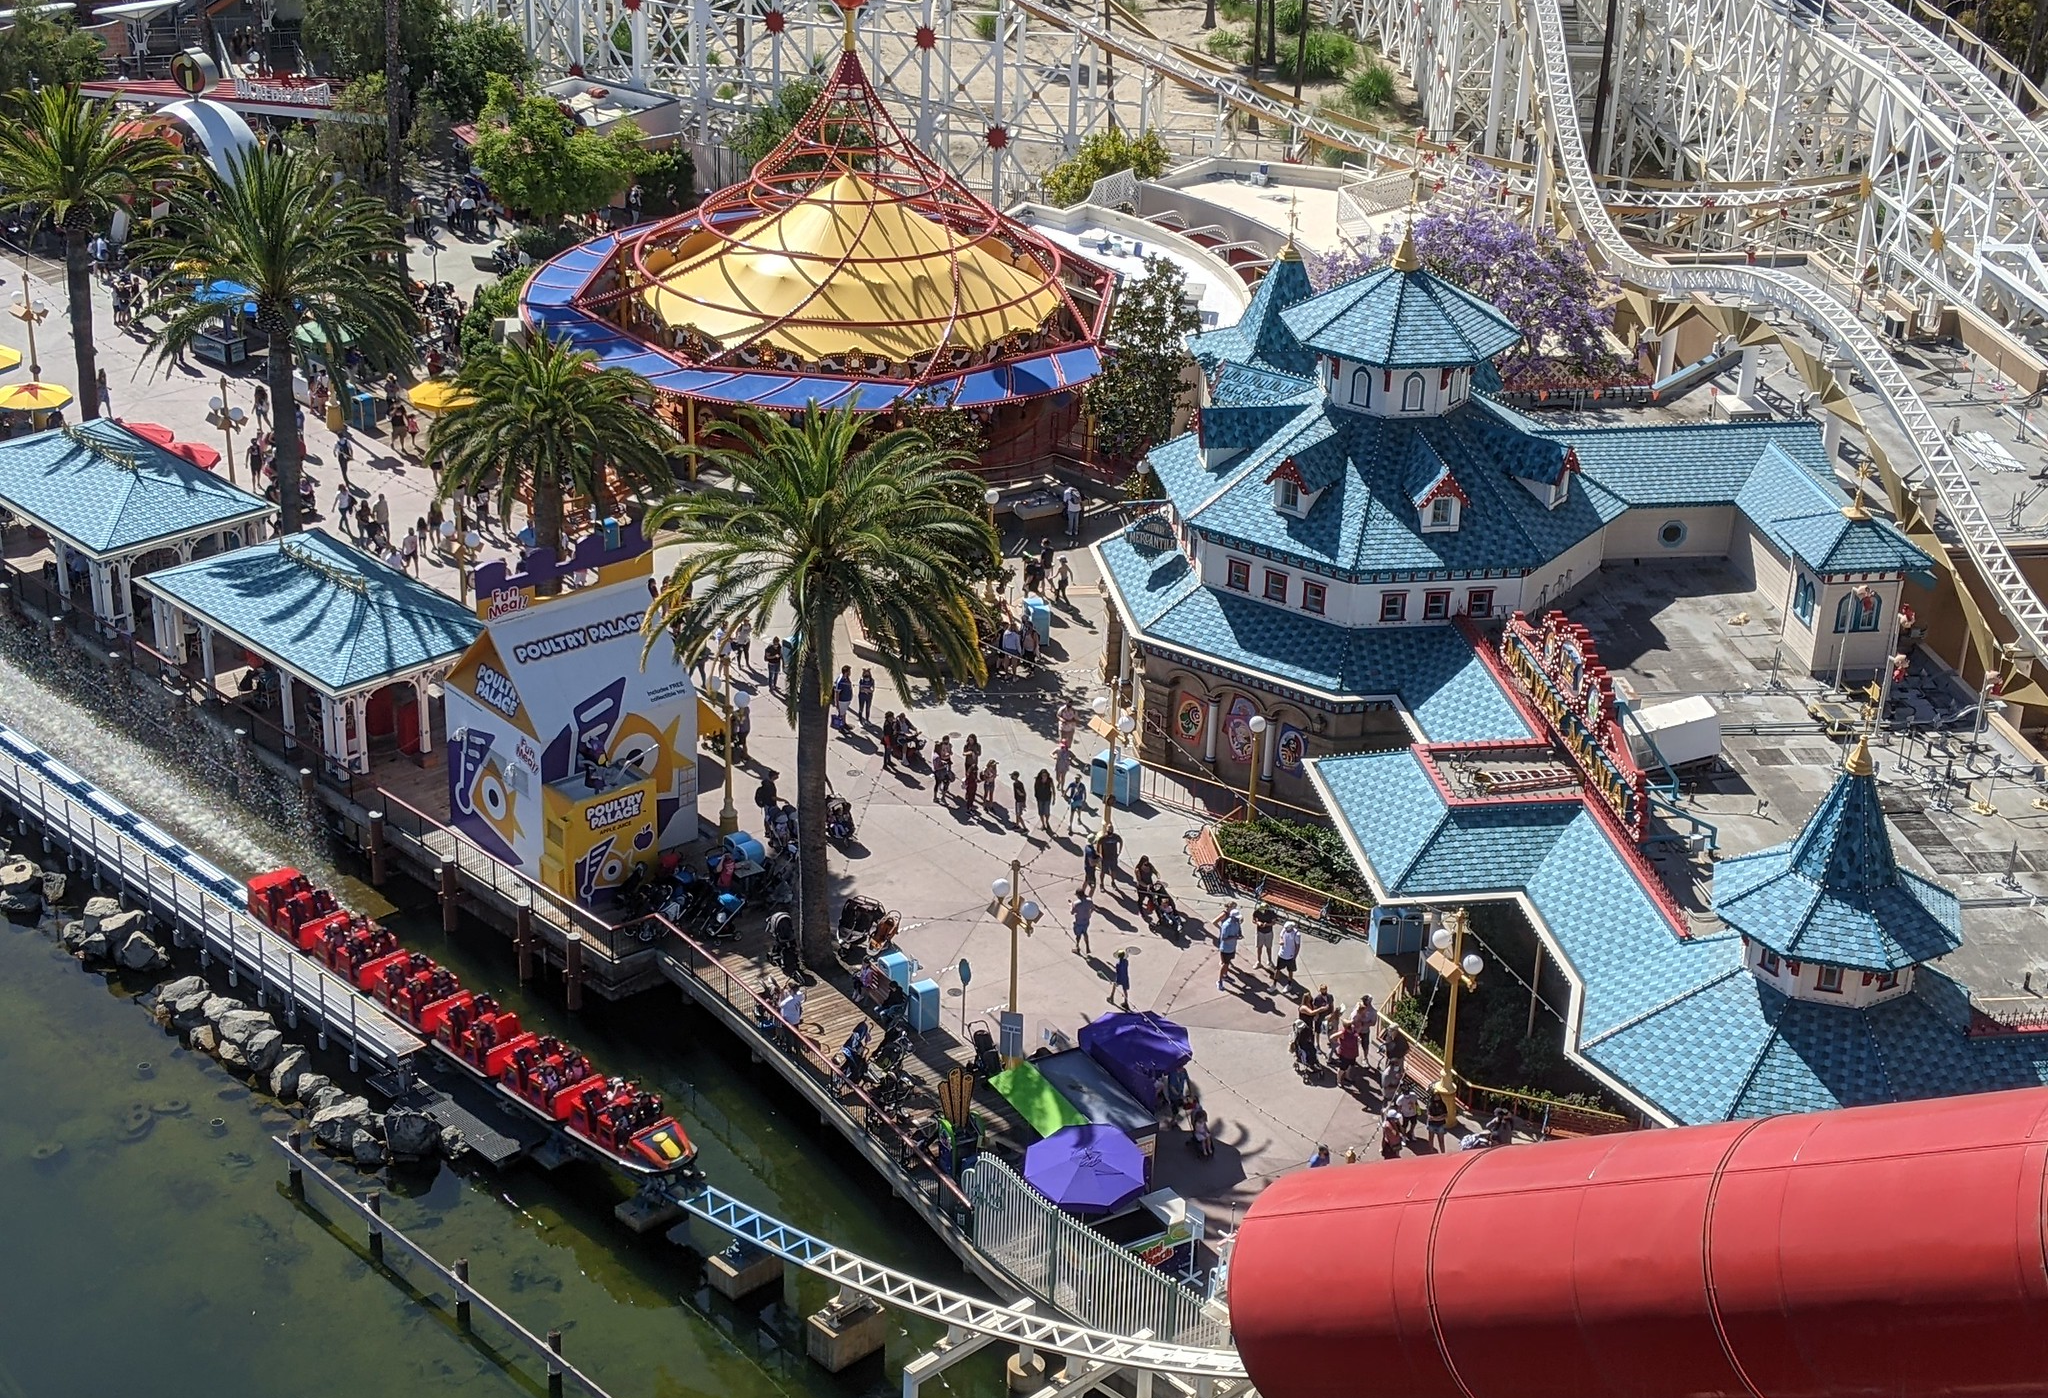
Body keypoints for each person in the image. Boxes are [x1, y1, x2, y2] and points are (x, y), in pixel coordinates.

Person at [1214, 902, 1242, 991]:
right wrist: (1235, 937)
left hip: (1232, 947)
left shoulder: (1236, 923)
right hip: (1225, 948)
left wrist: (1239, 935)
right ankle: (1219, 981)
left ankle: (1225, 976)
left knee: (1228, 963)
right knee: (1224, 964)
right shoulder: (1226, 925)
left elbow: (1238, 930)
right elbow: (1224, 938)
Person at [1276, 920, 1302, 986]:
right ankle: (1274, 984)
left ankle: (1289, 984)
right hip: (1282, 954)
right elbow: (1281, 936)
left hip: (1290, 956)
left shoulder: (1296, 934)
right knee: (1278, 969)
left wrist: (1294, 957)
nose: (1286, 930)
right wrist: (1281, 940)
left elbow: (1297, 946)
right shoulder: (1284, 930)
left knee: (1290, 971)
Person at [1253, 903, 1277, 970]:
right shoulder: (1257, 911)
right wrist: (1258, 923)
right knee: (1259, 947)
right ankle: (1258, 961)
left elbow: (1274, 922)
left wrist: (1267, 924)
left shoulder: (1271, 913)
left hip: (1268, 932)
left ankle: (1269, 960)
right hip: (1260, 932)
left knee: (1268, 947)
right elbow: (1254, 920)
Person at [1070, 888, 1092, 955]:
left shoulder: (1076, 904)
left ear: (1078, 895)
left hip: (1079, 921)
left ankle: (1077, 947)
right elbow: (1093, 908)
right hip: (1086, 921)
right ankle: (1087, 946)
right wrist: (1089, 914)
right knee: (1085, 932)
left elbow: (1072, 912)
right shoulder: (1089, 901)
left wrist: (1071, 905)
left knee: (1078, 935)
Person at [1034, 769, 1055, 833]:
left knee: (1047, 812)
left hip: (1047, 798)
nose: (1044, 777)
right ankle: (1043, 824)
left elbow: (1053, 788)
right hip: (1040, 798)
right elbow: (1035, 788)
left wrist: (1054, 798)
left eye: (1045, 775)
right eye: (1043, 775)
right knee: (1041, 813)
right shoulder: (1038, 780)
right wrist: (1036, 796)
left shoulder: (1049, 780)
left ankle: (1047, 821)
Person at [833, 666, 854, 730]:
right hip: (842, 701)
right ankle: (841, 727)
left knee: (844, 713)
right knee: (841, 714)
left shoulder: (846, 678)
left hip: (847, 700)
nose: (850, 673)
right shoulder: (840, 680)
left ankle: (844, 724)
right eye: (849, 671)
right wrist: (836, 703)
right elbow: (837, 693)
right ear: (846, 672)